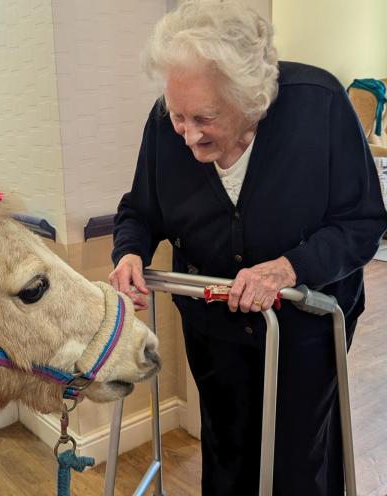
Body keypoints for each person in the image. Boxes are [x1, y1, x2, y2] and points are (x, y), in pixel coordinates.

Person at [109, 1, 387, 494]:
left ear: (250, 100)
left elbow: (362, 223)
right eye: (179, 116)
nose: (189, 136)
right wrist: (130, 252)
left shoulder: (318, 105)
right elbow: (140, 210)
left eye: (205, 118)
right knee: (227, 451)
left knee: (298, 460)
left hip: (307, 328)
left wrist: (289, 268)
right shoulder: (163, 125)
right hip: (214, 330)